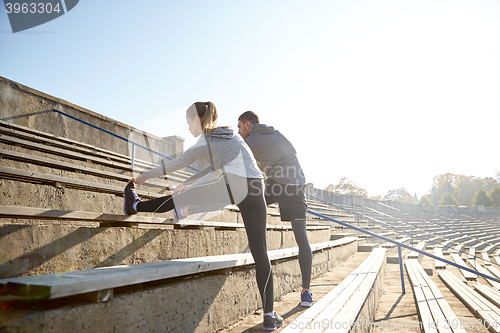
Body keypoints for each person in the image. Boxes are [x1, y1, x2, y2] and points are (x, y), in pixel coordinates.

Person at [123, 102, 283, 331]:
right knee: (261, 254)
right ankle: (270, 316)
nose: (188, 128)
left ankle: (134, 205)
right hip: (257, 189)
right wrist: (188, 184)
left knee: (180, 200)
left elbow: (176, 164)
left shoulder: (205, 142)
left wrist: (143, 177)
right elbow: (212, 168)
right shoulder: (230, 135)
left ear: (197, 120)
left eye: (189, 122)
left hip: (235, 184)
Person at [237, 111, 314, 307]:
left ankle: (257, 247)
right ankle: (306, 291)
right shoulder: (275, 134)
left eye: (239, 127)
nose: (238, 132)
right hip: (296, 185)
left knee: (244, 196)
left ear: (248, 125)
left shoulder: (252, 140)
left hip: (277, 184)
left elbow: (234, 162)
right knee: (301, 237)